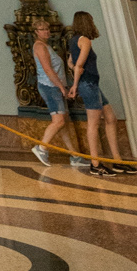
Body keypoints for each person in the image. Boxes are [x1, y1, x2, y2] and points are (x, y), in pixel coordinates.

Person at [67, 12, 137, 178]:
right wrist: (75, 86)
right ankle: (95, 163)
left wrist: (76, 73)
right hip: (89, 84)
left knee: (110, 118)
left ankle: (117, 160)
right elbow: (78, 65)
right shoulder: (85, 40)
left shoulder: (73, 40)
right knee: (93, 123)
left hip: (92, 84)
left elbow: (71, 62)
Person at [29, 14, 89, 172]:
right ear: (36, 31)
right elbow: (48, 70)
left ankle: (74, 155)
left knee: (64, 122)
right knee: (59, 121)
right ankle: (41, 148)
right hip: (50, 87)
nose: (46, 31)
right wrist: (62, 88)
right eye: (43, 29)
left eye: (48, 29)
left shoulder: (46, 46)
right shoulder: (39, 47)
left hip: (55, 86)